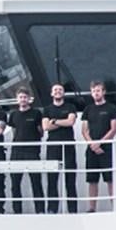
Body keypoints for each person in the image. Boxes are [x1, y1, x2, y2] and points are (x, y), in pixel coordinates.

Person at [81, 80, 116, 213]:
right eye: (93, 91)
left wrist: (100, 143)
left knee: (110, 179)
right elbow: (84, 130)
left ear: (103, 92)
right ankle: (92, 208)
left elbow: (113, 129)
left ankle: (114, 206)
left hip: (106, 149)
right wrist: (92, 144)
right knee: (92, 180)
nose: (96, 93)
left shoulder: (111, 108)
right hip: (91, 149)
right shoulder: (88, 109)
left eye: (98, 90)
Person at [5, 87, 45, 214]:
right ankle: (17, 211)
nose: (23, 99)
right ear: (17, 99)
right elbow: (14, 130)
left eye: (25, 97)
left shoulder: (36, 114)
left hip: (32, 151)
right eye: (20, 97)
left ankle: (40, 210)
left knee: (36, 182)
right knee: (15, 183)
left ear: (29, 99)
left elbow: (41, 131)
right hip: (16, 152)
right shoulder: (13, 114)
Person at [42, 82, 79, 213]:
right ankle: (52, 209)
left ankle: (72, 210)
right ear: (52, 93)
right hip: (53, 147)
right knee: (52, 179)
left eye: (60, 90)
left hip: (68, 145)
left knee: (70, 179)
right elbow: (46, 127)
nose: (58, 91)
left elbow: (71, 122)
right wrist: (61, 122)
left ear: (63, 93)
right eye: (55, 90)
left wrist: (54, 121)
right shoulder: (47, 109)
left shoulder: (71, 107)